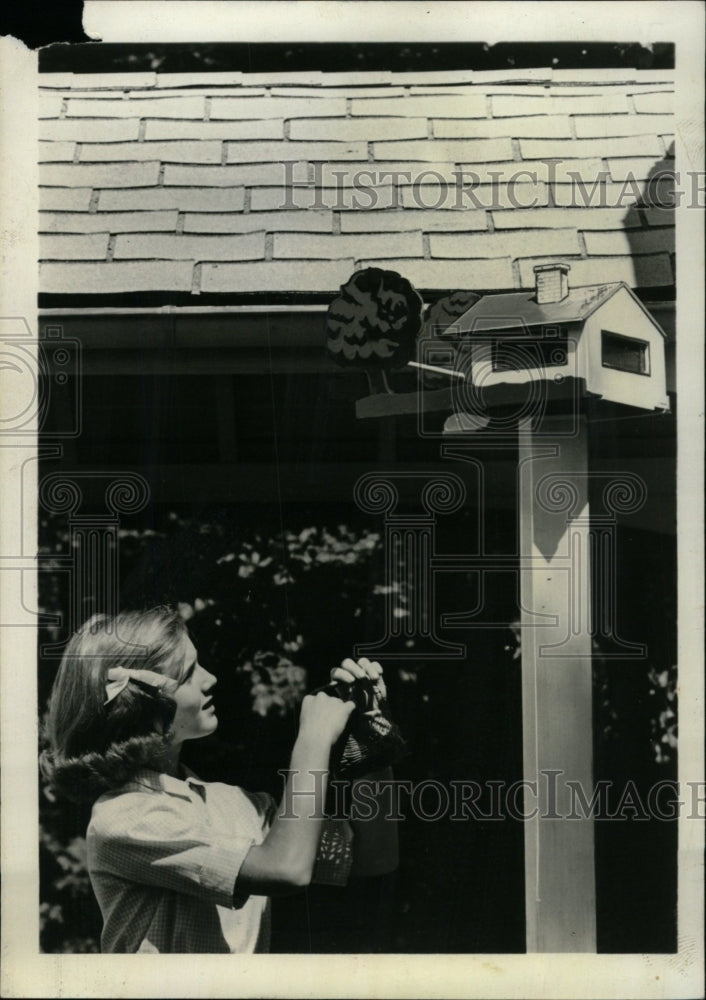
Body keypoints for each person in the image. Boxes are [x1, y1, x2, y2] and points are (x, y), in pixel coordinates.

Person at [40, 606, 395, 953]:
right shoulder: (125, 817)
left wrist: (371, 737)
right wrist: (314, 738)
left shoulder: (240, 805)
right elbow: (287, 868)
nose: (210, 679)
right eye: (189, 672)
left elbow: (374, 856)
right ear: (139, 703)